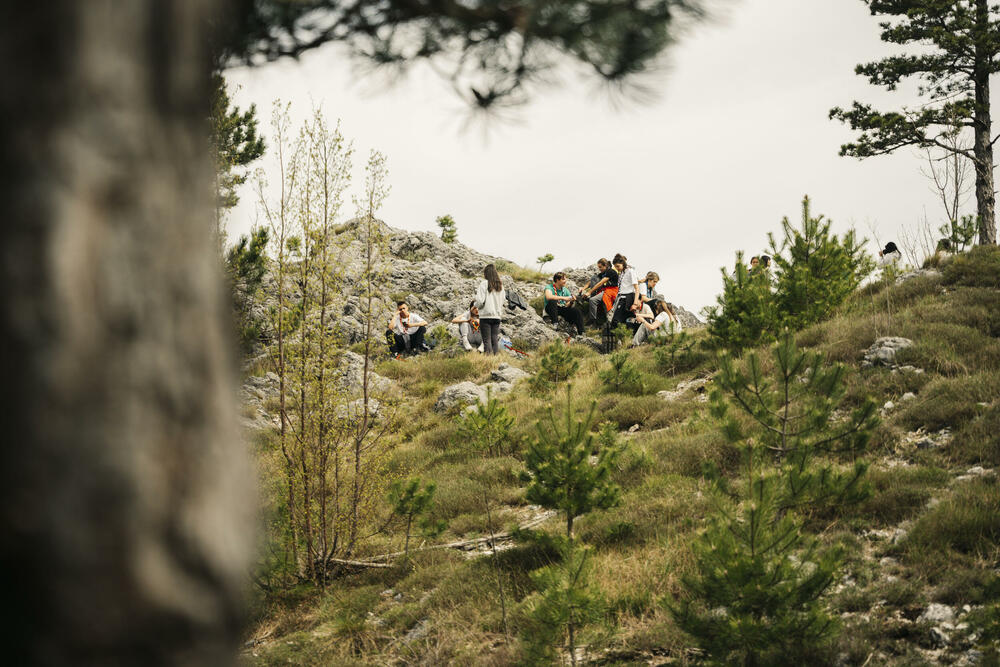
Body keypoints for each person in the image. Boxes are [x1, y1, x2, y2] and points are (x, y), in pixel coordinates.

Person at [475, 263, 506, 355]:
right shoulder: (500, 286)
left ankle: (488, 358)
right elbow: (503, 301)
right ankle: (496, 357)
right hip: (496, 316)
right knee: (494, 339)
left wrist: (476, 306)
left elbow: (480, 301)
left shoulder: (484, 284)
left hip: (485, 316)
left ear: (486, 273)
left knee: (486, 340)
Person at [578, 258, 619, 323]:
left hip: (611, 291)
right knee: (594, 278)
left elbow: (600, 283)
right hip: (604, 290)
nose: (599, 269)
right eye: (598, 267)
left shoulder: (611, 271)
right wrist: (583, 288)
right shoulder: (603, 273)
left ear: (605, 265)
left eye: (600, 267)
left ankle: (593, 320)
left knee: (592, 300)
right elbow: (590, 282)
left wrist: (589, 292)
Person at [544, 271, 585, 335]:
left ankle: (581, 332)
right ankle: (555, 323)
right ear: (557, 280)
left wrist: (571, 301)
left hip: (561, 308)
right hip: (551, 308)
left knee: (577, 311)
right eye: (563, 279)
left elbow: (567, 305)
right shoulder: (549, 287)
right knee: (552, 301)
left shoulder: (565, 290)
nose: (565, 281)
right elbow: (548, 297)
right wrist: (564, 298)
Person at [609, 253, 640, 326]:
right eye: (615, 267)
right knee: (621, 321)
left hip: (627, 297)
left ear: (623, 263)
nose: (617, 268)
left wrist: (635, 303)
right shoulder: (622, 273)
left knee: (617, 320)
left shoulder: (630, 271)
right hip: (621, 297)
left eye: (618, 266)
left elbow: (636, 288)